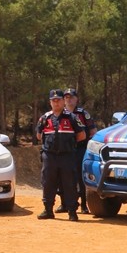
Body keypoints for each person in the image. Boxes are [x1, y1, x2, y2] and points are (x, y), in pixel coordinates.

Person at [35, 89, 87, 221]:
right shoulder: (45, 118)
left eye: (59, 100)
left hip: (67, 156)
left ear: (63, 101)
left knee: (69, 183)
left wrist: (67, 144)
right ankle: (48, 210)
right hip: (50, 156)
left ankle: (72, 212)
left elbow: (82, 135)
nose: (56, 103)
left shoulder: (72, 118)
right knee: (48, 183)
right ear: (50, 102)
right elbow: (39, 135)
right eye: (54, 100)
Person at [60, 88, 96, 214]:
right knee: (64, 177)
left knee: (81, 178)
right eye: (66, 97)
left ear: (77, 99)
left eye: (71, 97)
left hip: (80, 150)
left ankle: (84, 205)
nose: (69, 100)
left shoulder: (83, 114)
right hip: (65, 151)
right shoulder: (60, 114)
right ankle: (64, 204)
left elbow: (92, 132)